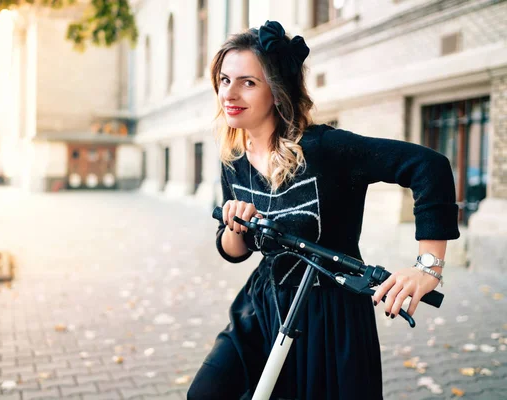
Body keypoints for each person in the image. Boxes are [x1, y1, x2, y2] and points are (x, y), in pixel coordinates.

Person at [187, 21, 460, 400]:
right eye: (224, 79)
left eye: (248, 82)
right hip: (264, 307)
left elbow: (427, 166)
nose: (229, 93)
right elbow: (235, 251)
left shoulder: (326, 149)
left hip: (331, 318)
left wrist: (428, 267)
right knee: (206, 393)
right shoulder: (234, 158)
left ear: (276, 92)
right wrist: (236, 225)